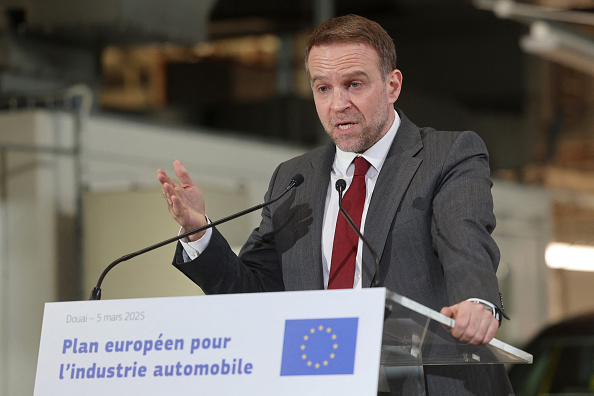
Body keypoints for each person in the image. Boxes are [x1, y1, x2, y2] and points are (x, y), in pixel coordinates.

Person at [158, 14, 513, 395]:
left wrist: (475, 300)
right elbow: (254, 295)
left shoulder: (447, 155)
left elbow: (465, 237)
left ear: (392, 85)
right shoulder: (293, 179)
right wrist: (200, 235)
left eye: (353, 84)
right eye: (323, 88)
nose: (337, 104)